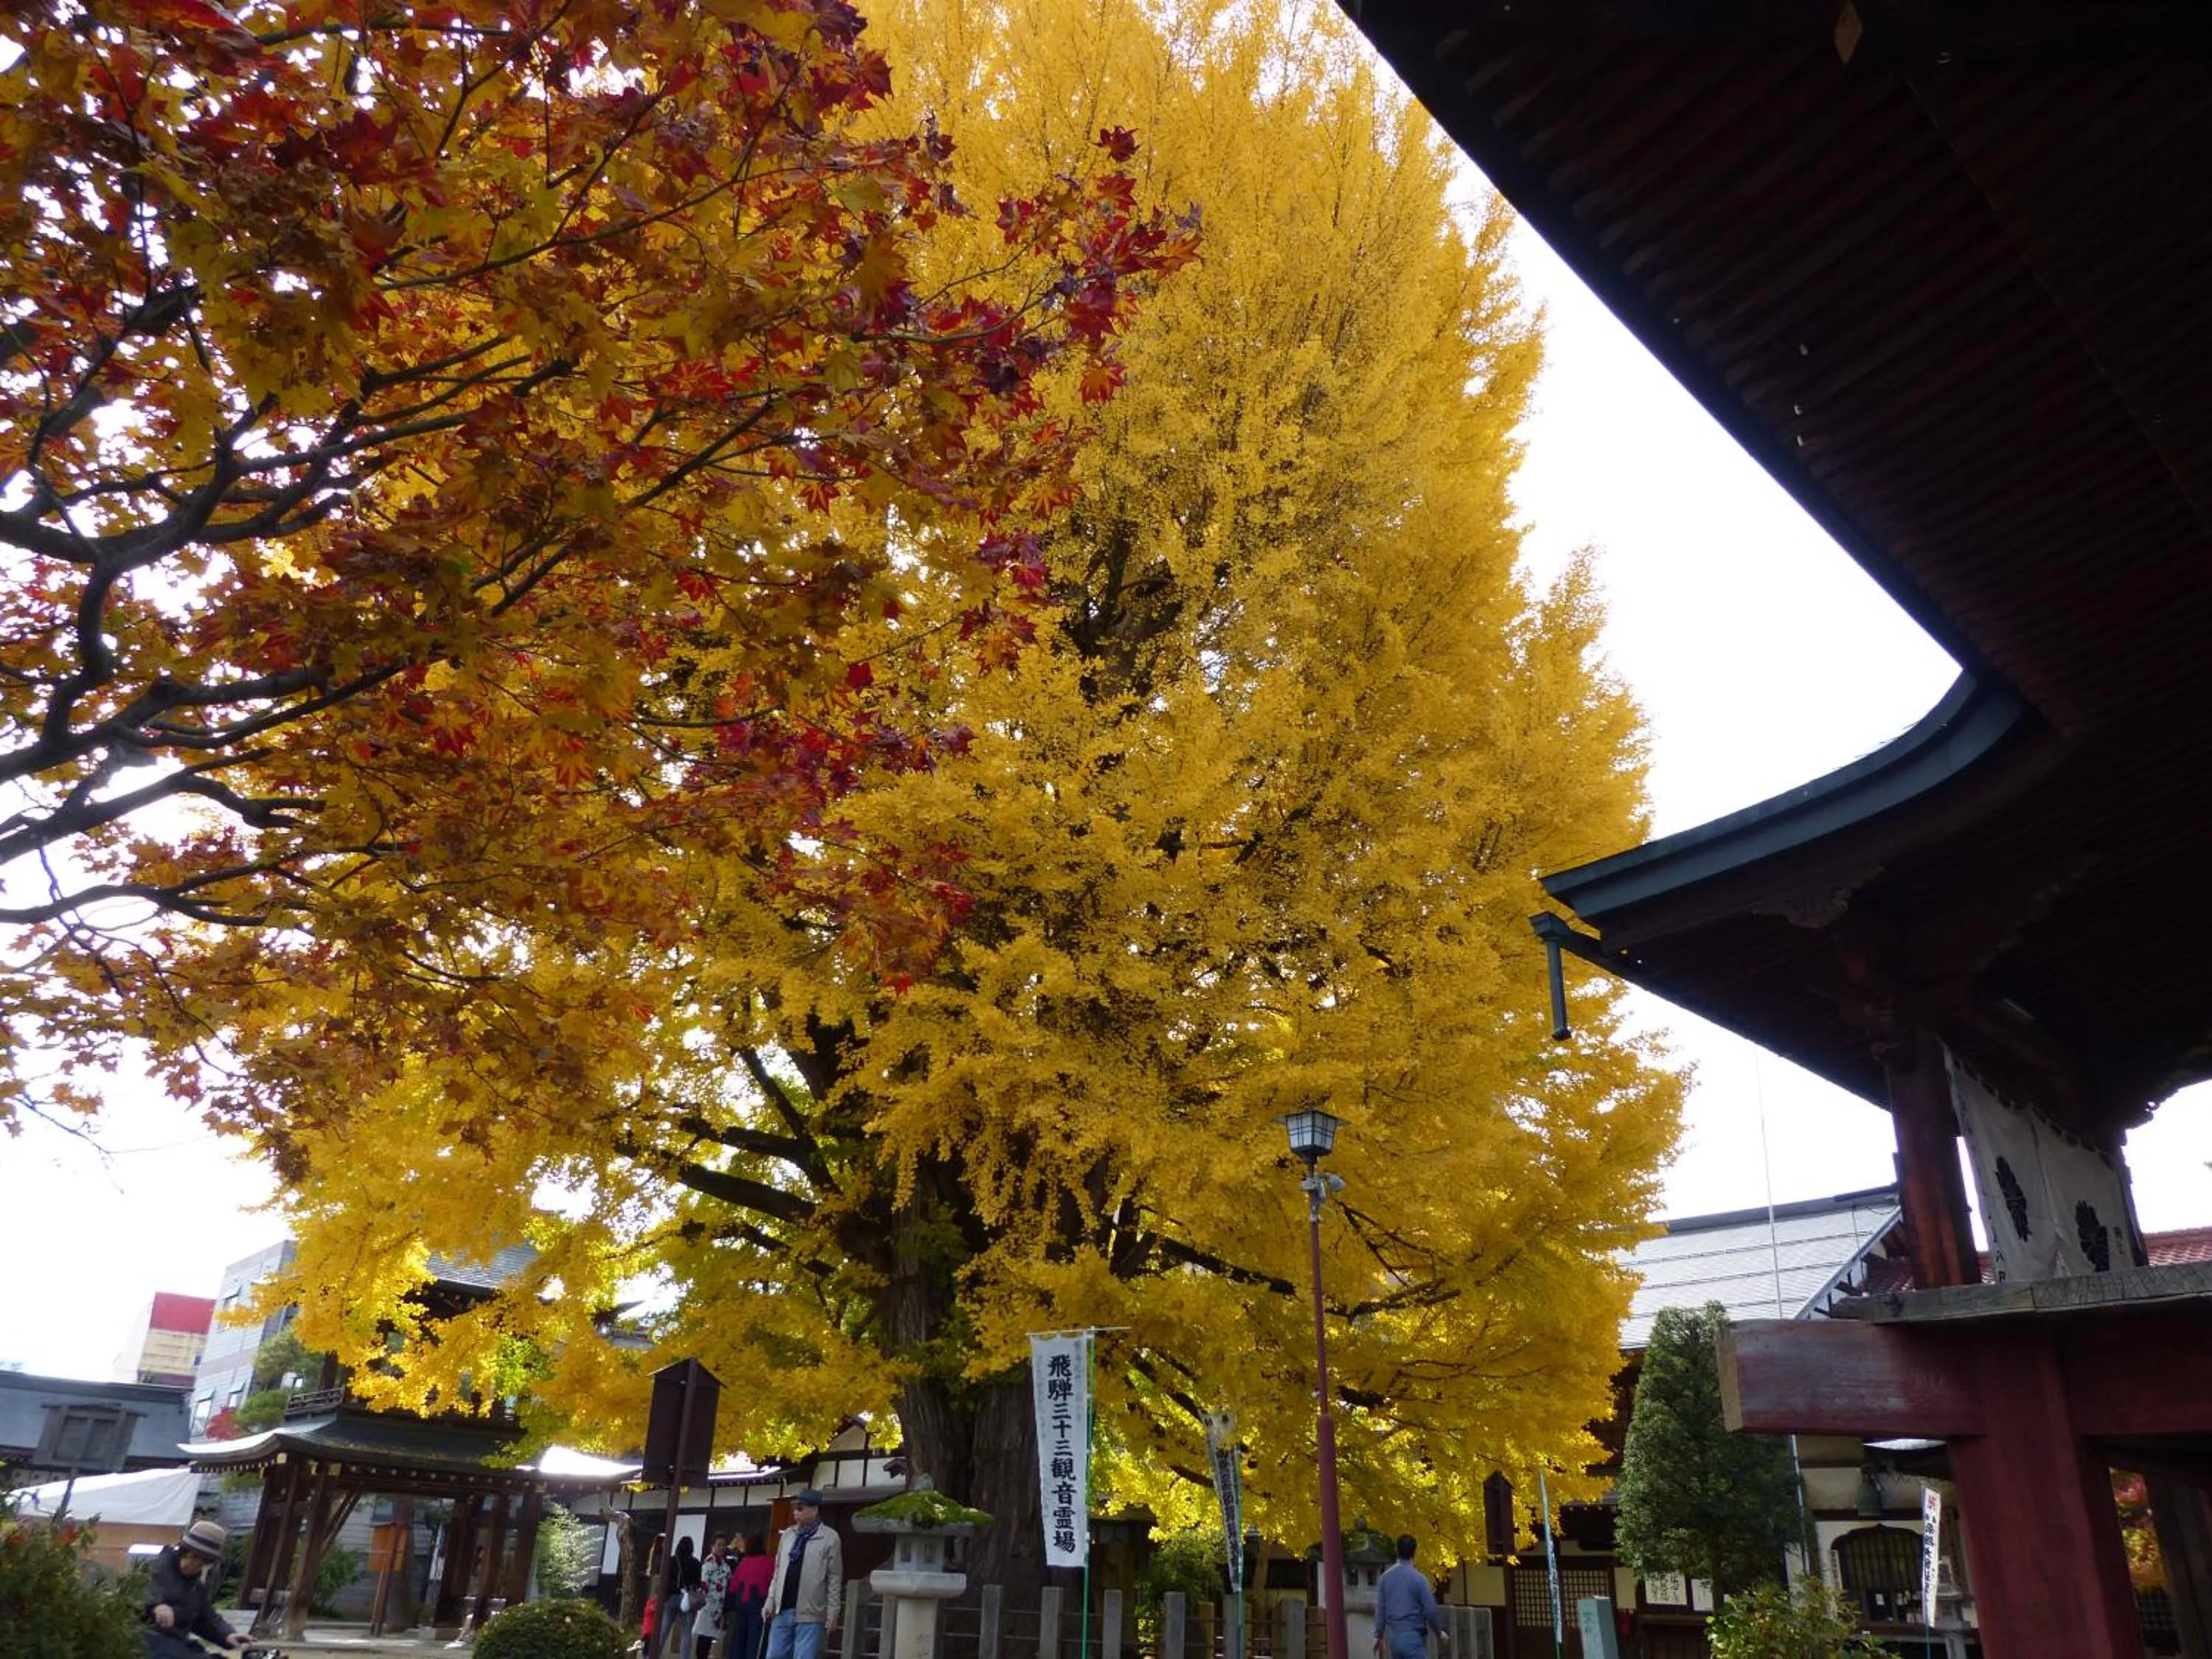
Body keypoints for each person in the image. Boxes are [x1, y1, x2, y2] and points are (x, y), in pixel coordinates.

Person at [144, 1520, 249, 1657]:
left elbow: (205, 1618)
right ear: (183, 1551)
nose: (193, 1563)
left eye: (202, 1561)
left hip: (176, 1643)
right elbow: (139, 1591)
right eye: (191, 1555)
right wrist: (156, 1605)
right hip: (145, 1643)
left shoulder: (195, 1588)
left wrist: (228, 1635)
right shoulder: (156, 1568)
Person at [762, 1490, 843, 1659]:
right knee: (774, 1655)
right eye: (795, 1508)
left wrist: (833, 1611)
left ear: (815, 1510)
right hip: (782, 1608)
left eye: (801, 1508)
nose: (796, 1512)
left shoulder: (830, 1538)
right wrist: (770, 1601)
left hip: (811, 1611)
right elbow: (778, 1571)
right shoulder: (788, 1535)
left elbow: (834, 1577)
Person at [1371, 1534, 1447, 1659]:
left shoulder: (1385, 1578)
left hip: (1395, 1638)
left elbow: (1380, 1609)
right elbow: (1430, 1609)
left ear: (1397, 1551)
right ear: (1414, 1552)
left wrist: (1378, 1635)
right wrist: (1439, 1632)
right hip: (1414, 1637)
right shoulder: (1419, 1579)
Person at [728, 1530, 773, 1659]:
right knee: (756, 1645)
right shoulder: (769, 1562)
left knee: (738, 1642)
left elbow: (733, 1587)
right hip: (759, 1606)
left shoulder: (743, 1563)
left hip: (741, 1606)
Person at [660, 1534, 703, 1659]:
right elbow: (698, 1583)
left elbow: (665, 1580)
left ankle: (654, 1654)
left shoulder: (672, 1561)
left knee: (664, 1629)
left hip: (672, 1597)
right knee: (686, 1632)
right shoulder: (695, 1563)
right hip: (687, 1600)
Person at [694, 1534, 733, 1659]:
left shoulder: (725, 1565)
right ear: (712, 1546)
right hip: (708, 1604)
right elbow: (704, 1583)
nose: (722, 1548)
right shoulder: (710, 1562)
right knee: (704, 1637)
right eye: (719, 1545)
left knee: (709, 1637)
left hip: (719, 1605)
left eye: (724, 1545)